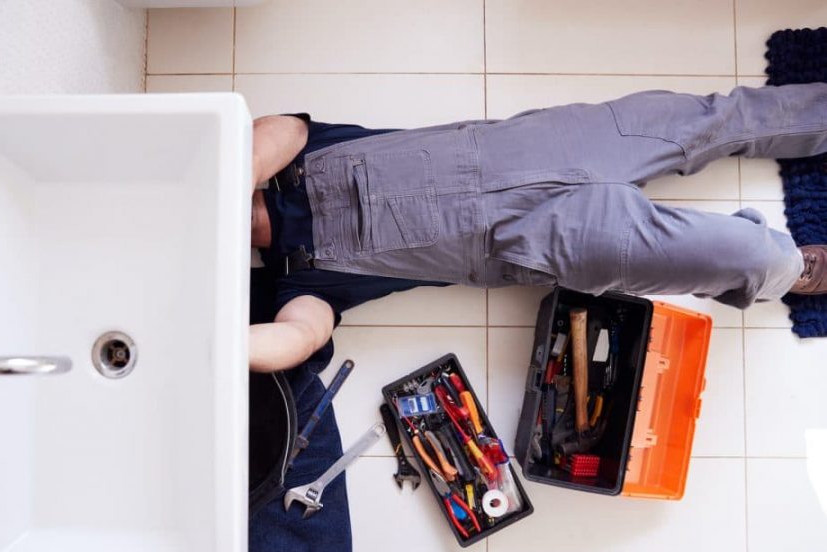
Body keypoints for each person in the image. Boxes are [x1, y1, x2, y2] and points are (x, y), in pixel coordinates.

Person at [249, 84, 827, 373]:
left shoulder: (294, 148)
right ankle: (796, 269)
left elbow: (265, 136)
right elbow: (298, 339)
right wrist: (210, 345)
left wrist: (219, 188)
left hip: (556, 144)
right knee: (754, 258)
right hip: (556, 234)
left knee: (715, 120)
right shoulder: (304, 286)